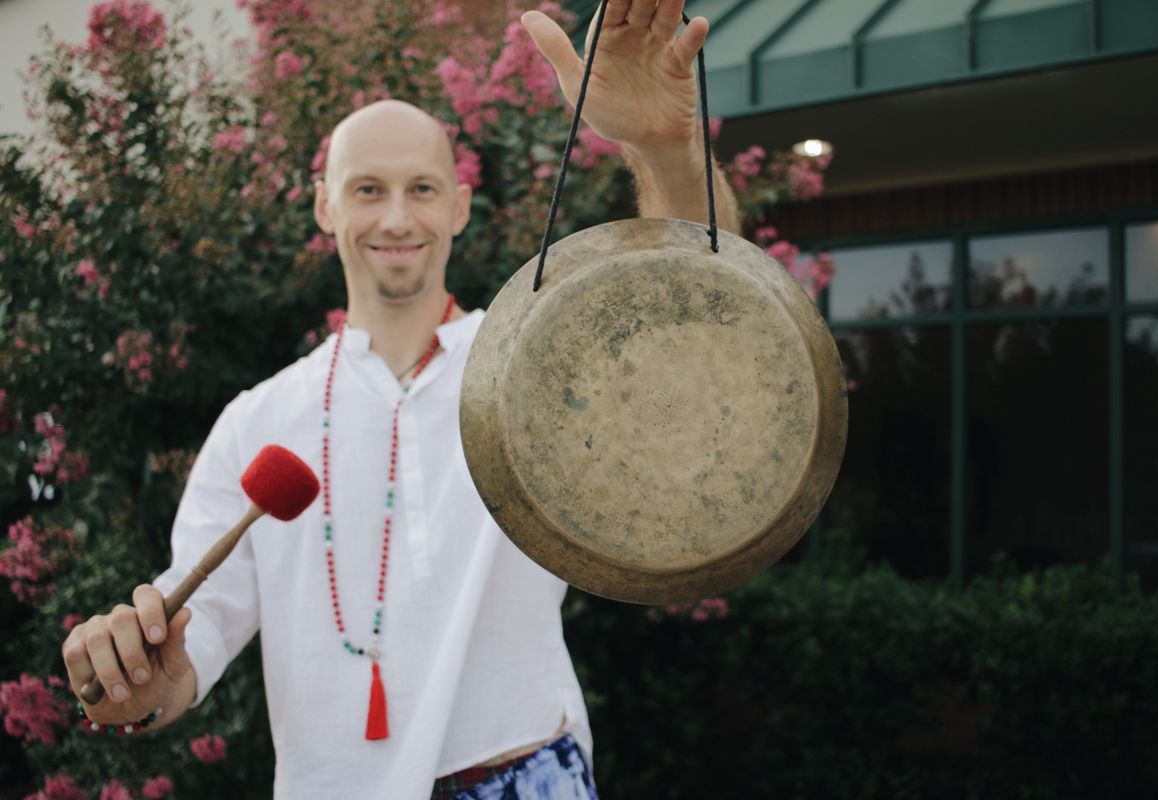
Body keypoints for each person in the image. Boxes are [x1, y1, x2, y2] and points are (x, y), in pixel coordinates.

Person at [61, 1, 739, 797]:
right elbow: (191, 644)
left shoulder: (533, 360)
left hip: (528, 777)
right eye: (367, 189)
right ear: (326, 207)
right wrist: (142, 689)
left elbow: (698, 320)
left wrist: (660, 146)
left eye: (421, 188)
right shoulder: (257, 420)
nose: (395, 217)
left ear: (458, 205)